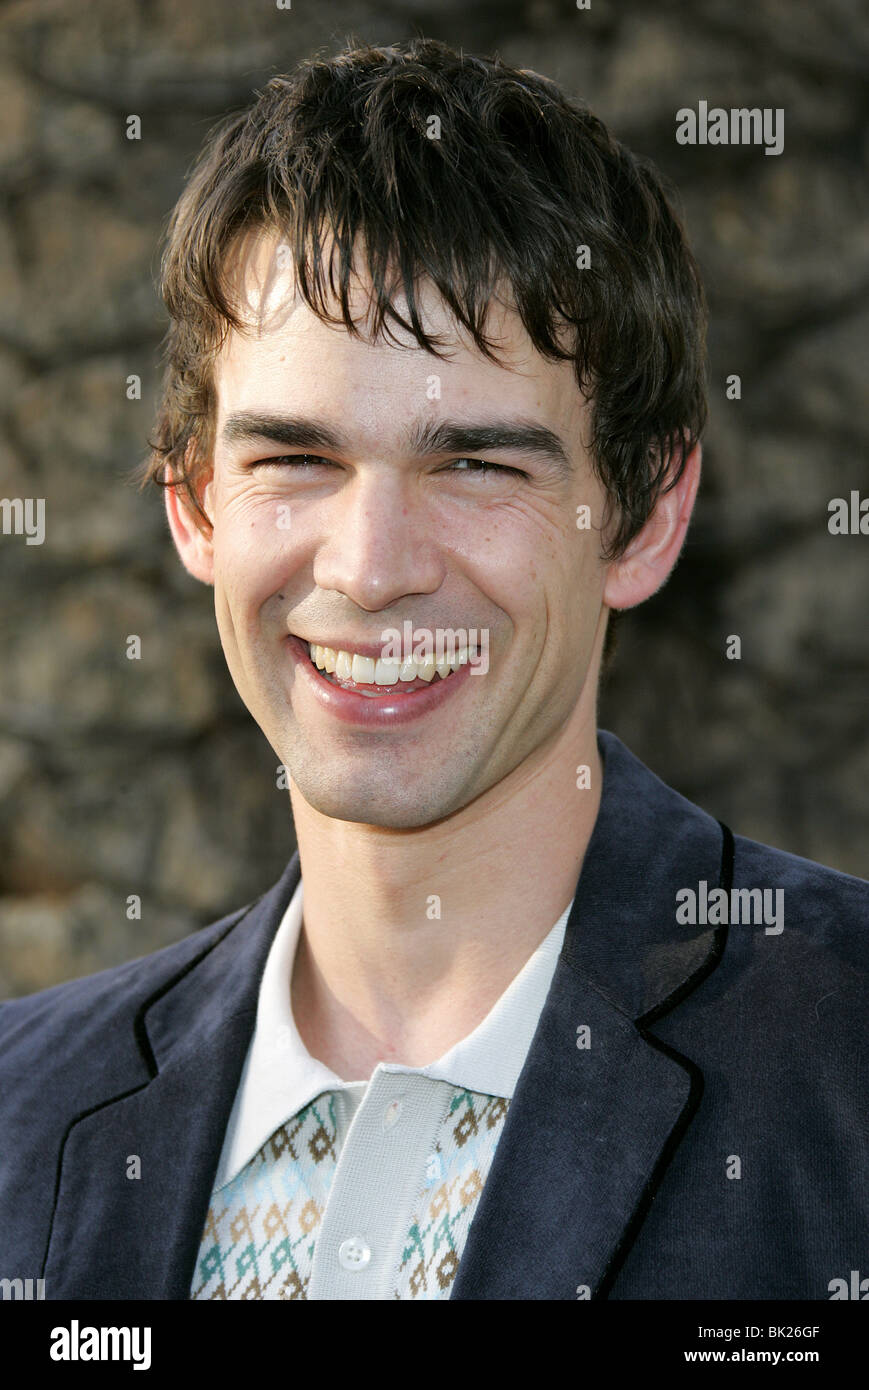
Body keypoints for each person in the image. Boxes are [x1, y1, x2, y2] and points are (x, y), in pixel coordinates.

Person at [1, 36, 866, 1303]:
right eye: (292, 459)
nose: (369, 566)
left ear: (642, 516)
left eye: (476, 464)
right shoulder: (22, 1114)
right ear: (192, 504)